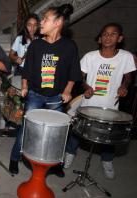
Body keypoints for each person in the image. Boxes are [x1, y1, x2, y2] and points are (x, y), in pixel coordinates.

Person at [9, 3, 82, 176]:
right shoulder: (35, 45)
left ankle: (55, 163)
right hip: (35, 95)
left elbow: (74, 72)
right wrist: (25, 87)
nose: (41, 22)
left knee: (55, 133)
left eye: (45, 19)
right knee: (26, 128)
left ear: (58, 22)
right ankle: (14, 157)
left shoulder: (69, 46)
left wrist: (68, 90)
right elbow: (27, 70)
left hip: (56, 98)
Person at [64, 23, 136, 179]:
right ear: (99, 39)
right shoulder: (90, 57)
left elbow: (128, 77)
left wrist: (124, 86)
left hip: (110, 105)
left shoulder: (126, 57)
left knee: (108, 137)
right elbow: (80, 77)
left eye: (112, 34)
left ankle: (107, 161)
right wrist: (86, 87)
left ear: (120, 38)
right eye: (104, 34)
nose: (108, 37)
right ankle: (69, 154)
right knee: (77, 132)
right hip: (88, 104)